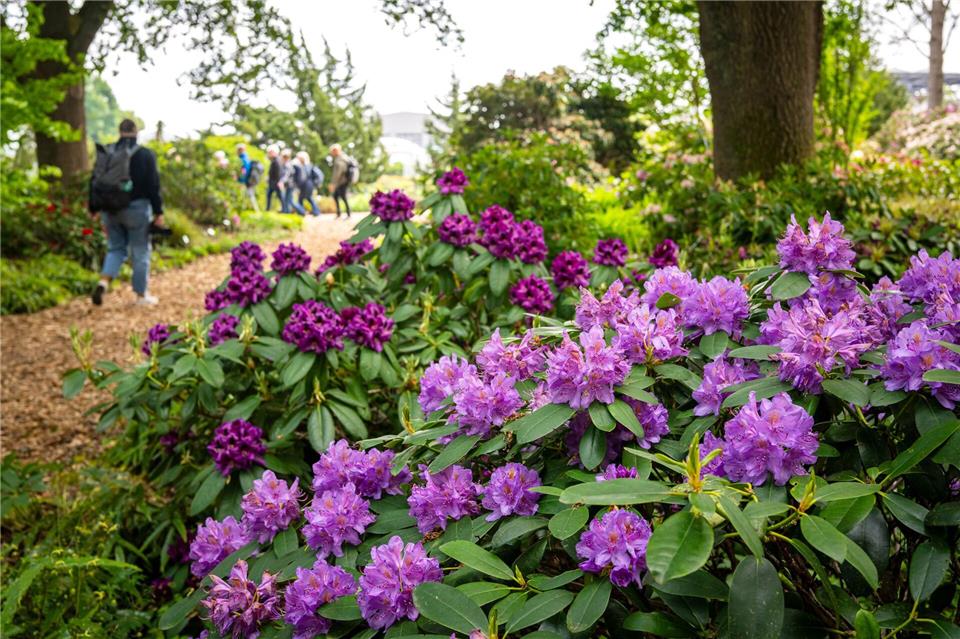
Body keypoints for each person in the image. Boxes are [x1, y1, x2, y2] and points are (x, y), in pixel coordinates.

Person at [89, 119, 165, 306]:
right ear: (135, 131)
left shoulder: (108, 151)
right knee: (139, 251)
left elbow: (94, 179)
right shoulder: (145, 154)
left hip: (109, 208)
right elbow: (153, 185)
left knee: (115, 248)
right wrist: (158, 211)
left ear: (120, 131)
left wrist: (94, 207)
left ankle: (103, 282)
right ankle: (141, 295)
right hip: (136, 209)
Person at [328, 143, 355, 219]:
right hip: (341, 181)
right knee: (336, 196)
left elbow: (338, 173)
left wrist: (333, 183)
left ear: (336, 150)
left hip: (342, 181)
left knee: (343, 197)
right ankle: (339, 213)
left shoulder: (341, 158)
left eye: (332, 151)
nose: (331, 153)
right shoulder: (343, 157)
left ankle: (348, 213)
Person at [294, 151, 320, 215]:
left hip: (308, 185)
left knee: (303, 198)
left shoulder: (308, 166)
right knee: (308, 198)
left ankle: (302, 212)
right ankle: (315, 211)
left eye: (299, 158)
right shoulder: (303, 165)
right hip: (305, 185)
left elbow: (306, 176)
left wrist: (315, 183)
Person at [236, 143, 260, 212]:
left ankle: (256, 210)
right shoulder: (245, 157)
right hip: (247, 179)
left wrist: (241, 180)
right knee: (247, 195)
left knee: (249, 195)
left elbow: (244, 171)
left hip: (245, 180)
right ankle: (247, 209)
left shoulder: (243, 158)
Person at [279, 148, 298, 214]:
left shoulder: (287, 165)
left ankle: (301, 211)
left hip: (290, 184)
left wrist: (282, 181)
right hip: (289, 184)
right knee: (288, 200)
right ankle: (287, 212)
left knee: (289, 200)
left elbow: (286, 175)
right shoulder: (287, 164)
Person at [265, 144, 283, 211]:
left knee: (279, 196)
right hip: (273, 182)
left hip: (275, 182)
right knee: (270, 195)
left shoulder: (276, 161)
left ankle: (285, 209)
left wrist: (279, 181)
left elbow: (278, 172)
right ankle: (268, 209)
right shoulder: (274, 160)